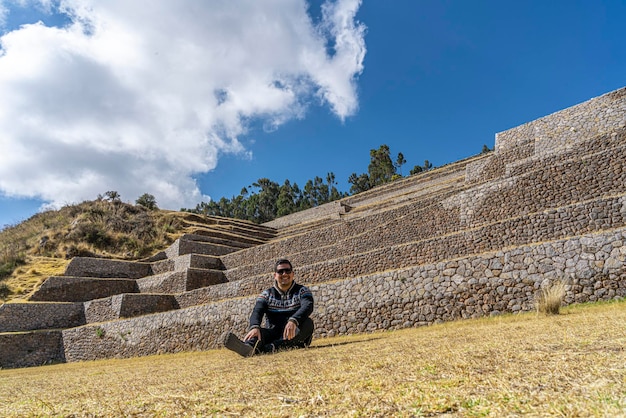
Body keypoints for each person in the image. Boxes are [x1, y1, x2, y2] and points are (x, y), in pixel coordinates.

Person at [223, 258, 314, 357]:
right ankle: (248, 348)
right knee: (258, 333)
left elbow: (307, 306)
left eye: (287, 271)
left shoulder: (302, 291)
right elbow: (257, 311)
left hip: (294, 334)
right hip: (273, 332)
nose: (284, 274)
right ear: (275, 276)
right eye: (280, 272)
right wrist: (255, 326)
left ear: (292, 274)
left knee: (308, 323)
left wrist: (294, 320)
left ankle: (270, 348)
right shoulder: (267, 294)